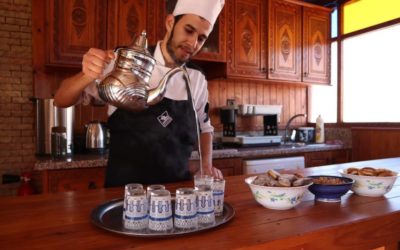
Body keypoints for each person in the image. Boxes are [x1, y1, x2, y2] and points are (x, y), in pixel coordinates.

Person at [54, 0, 225, 187]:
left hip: (176, 193)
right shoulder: (127, 61)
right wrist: (88, 74)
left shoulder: (197, 78)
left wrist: (206, 166)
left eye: (201, 38)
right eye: (189, 30)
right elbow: (60, 99)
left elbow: (205, 127)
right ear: (170, 23)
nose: (193, 43)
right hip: (123, 194)